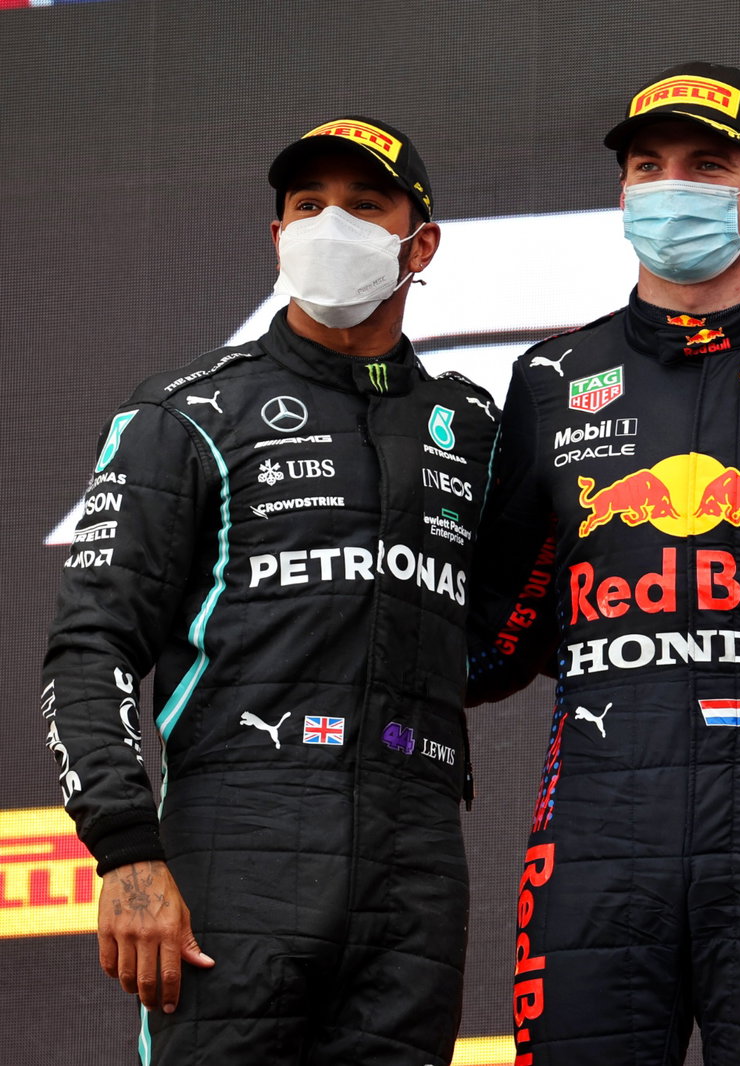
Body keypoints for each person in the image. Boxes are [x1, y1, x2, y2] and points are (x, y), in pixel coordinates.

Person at [465, 62, 740, 1065]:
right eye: (648, 166)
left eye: (707, 164)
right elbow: (497, 631)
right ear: (622, 193)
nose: (674, 186)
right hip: (593, 817)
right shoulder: (551, 380)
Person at [40, 116, 498, 1064]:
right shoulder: (186, 413)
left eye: (365, 205)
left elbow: (505, 626)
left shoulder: (469, 425)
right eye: (307, 205)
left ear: (421, 243)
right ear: (279, 235)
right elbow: (91, 647)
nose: (333, 224)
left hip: (416, 852)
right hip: (234, 839)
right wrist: (126, 851)